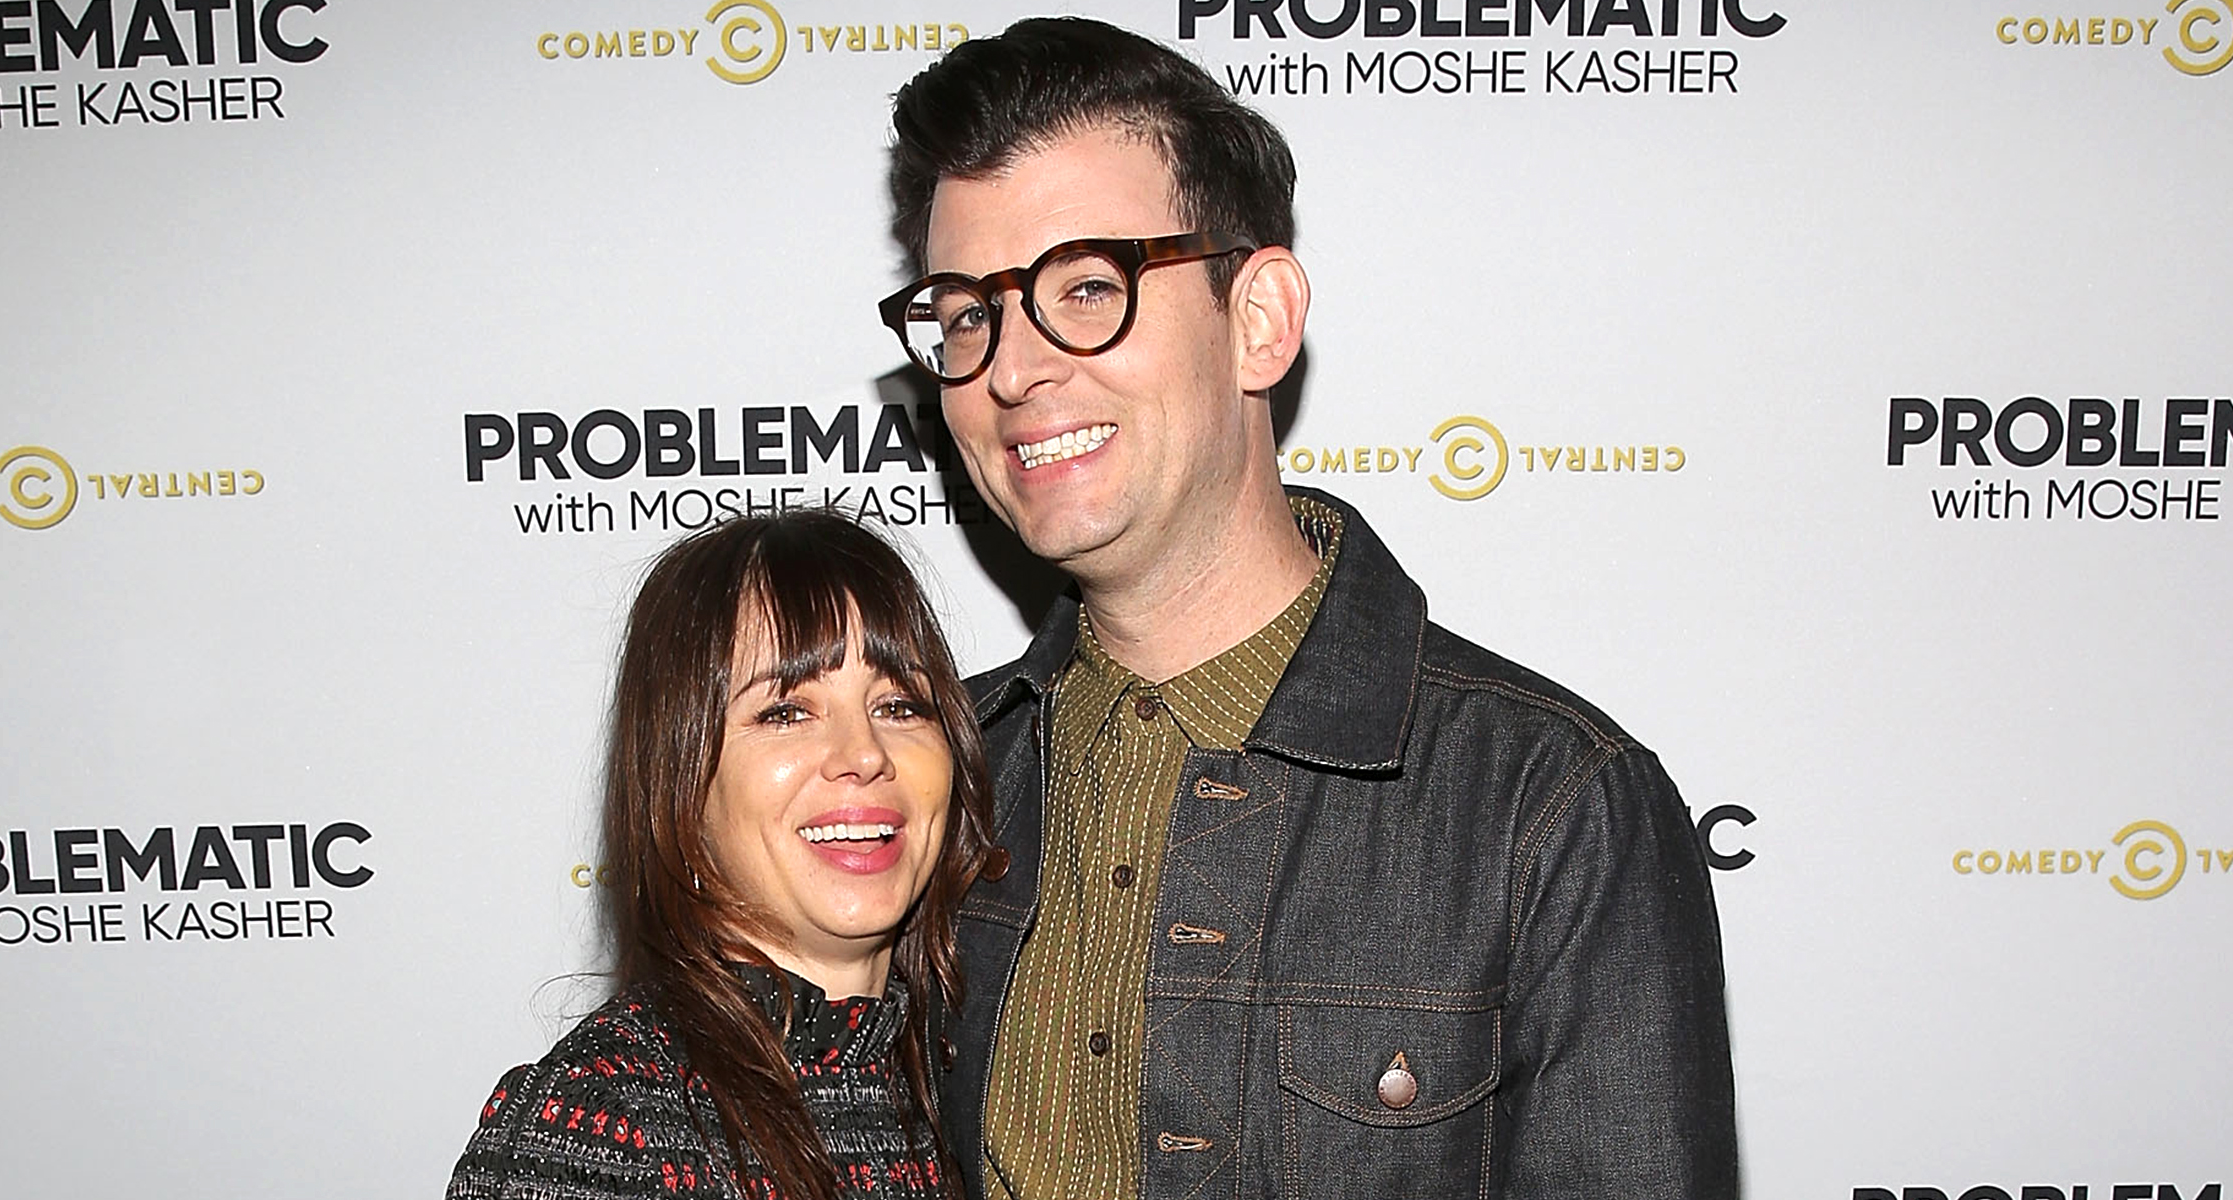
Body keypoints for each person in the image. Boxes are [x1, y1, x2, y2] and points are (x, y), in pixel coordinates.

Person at [878, 17, 1736, 1199]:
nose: (1013, 370)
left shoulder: (1548, 808)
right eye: (970, 314)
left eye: (1087, 287)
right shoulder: (930, 778)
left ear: (1261, 320)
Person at [447, 510, 994, 1200]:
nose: (863, 755)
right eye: (786, 713)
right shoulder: (608, 1124)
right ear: (683, 780)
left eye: (899, 705)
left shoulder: (968, 1092)